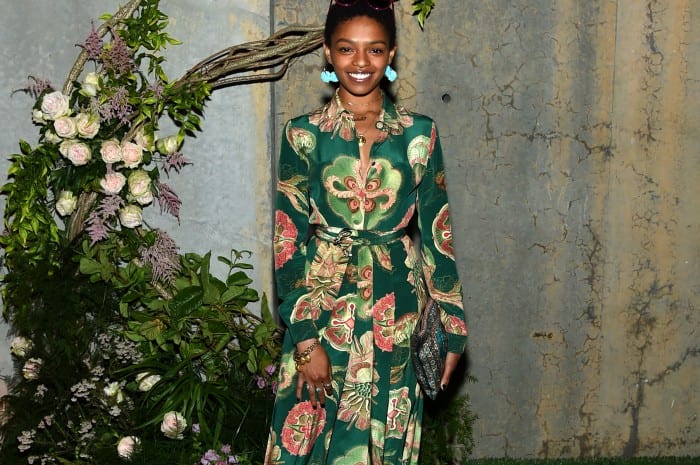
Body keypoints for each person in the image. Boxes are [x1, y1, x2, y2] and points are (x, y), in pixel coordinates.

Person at [265, 1, 467, 464]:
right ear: (327, 52)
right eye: (346, 49)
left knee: (385, 436)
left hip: (397, 309)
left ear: (391, 54)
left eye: (374, 49)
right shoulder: (303, 135)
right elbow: (285, 241)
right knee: (308, 432)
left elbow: (439, 237)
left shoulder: (420, 135)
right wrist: (305, 340)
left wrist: (453, 328)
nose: (360, 62)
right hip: (322, 305)